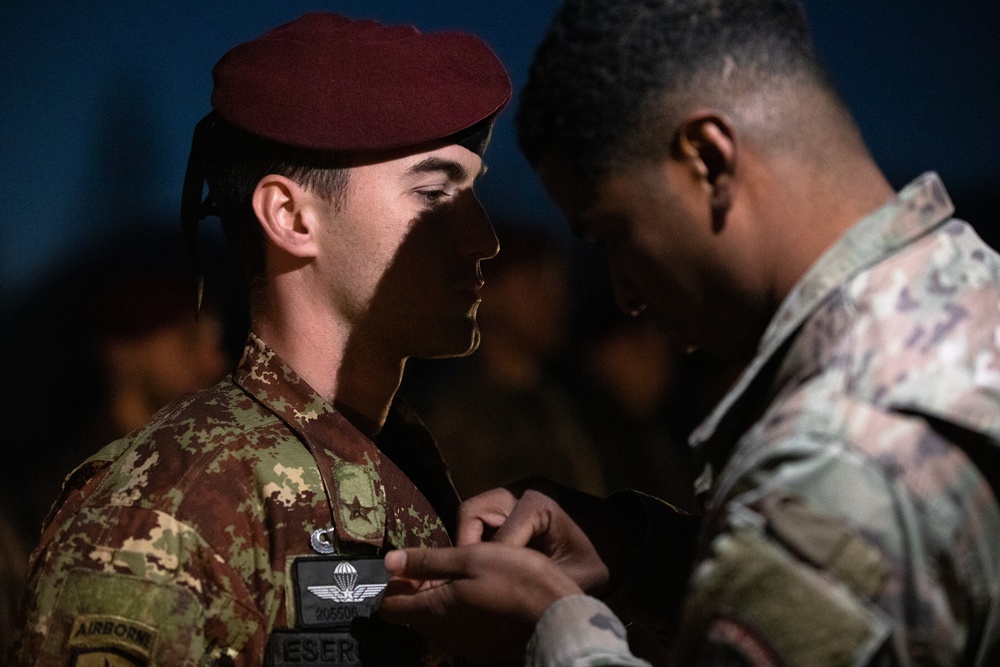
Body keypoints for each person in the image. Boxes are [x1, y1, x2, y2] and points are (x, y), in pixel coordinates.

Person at [378, 1, 1000, 665]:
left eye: (614, 232)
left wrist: (549, 632)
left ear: (707, 158)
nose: (623, 292)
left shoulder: (838, 456)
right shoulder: (967, 301)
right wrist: (646, 551)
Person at [11, 12, 510, 666]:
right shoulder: (166, 515)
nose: (484, 239)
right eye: (436, 192)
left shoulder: (400, 474)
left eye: (473, 191)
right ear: (290, 216)